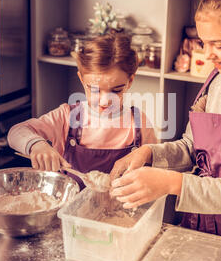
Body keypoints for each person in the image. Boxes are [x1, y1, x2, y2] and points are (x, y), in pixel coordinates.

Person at [110, 0, 221, 245]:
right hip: (198, 226)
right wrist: (149, 152)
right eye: (203, 43)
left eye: (219, 45)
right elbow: (191, 148)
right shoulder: (216, 81)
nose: (207, 54)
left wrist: (172, 183)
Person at [8, 32, 157, 189]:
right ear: (82, 79)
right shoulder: (67, 116)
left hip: (121, 211)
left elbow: (154, 168)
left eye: (116, 90)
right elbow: (15, 132)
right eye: (94, 90)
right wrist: (37, 145)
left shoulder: (139, 124)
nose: (105, 101)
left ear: (130, 81)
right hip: (69, 210)